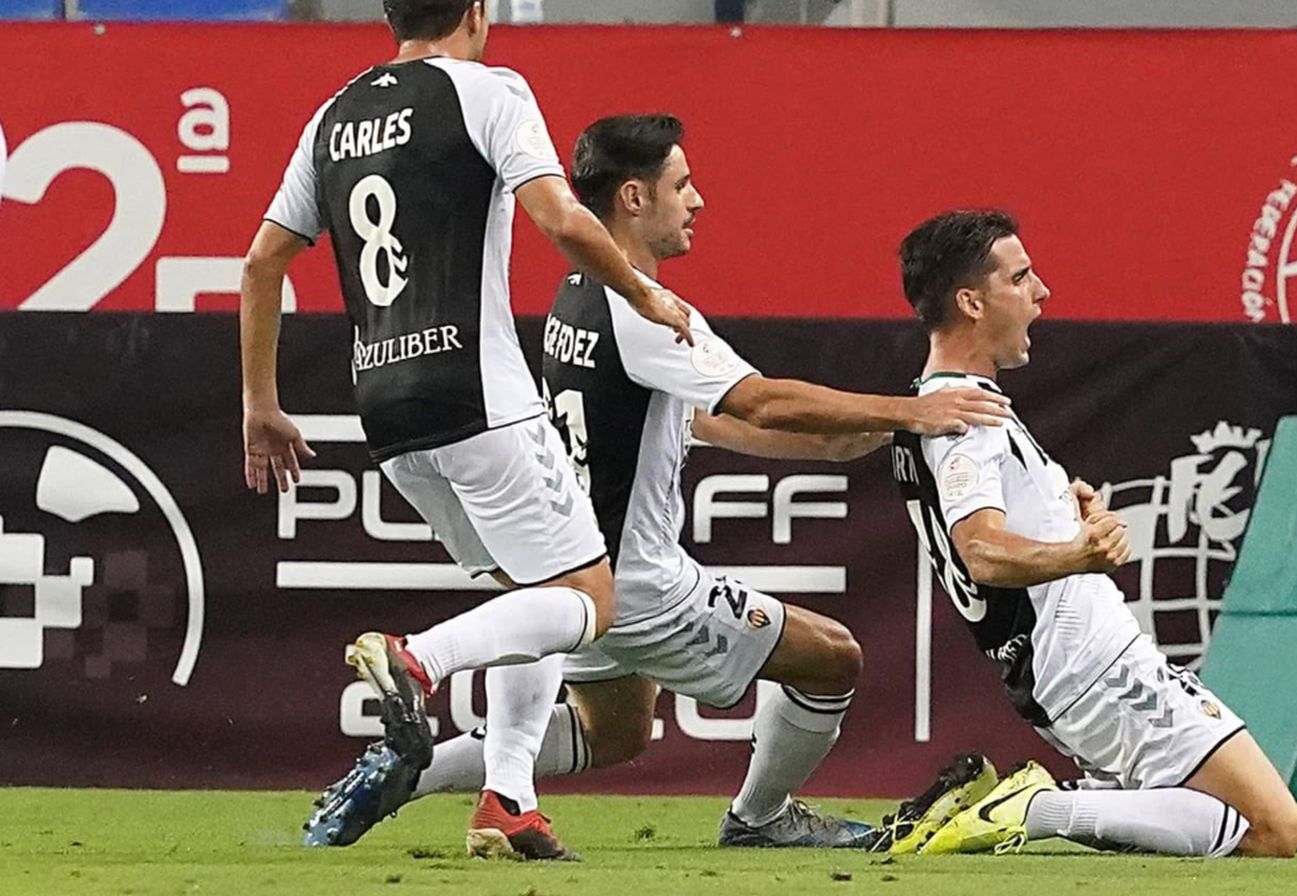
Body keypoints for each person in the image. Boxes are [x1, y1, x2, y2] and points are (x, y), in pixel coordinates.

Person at [317, 113, 1014, 851]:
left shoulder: (575, 296)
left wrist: (848, 438)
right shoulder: (644, 311)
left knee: (613, 730)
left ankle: (410, 772)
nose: (698, 200)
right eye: (682, 185)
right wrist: (911, 408)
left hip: (576, 572)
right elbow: (759, 398)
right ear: (634, 198)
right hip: (641, 583)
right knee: (833, 659)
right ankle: (762, 817)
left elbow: (704, 421)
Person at [240, 0, 699, 861]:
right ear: (479, 11)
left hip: (383, 405)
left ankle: (507, 801)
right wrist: (644, 293)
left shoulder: (334, 115)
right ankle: (416, 659)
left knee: (532, 595)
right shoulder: (489, 91)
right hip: (478, 393)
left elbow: (264, 260)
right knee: (586, 603)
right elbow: (562, 218)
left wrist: (259, 405)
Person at [886, 210, 1297, 858]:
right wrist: (1076, 551)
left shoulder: (947, 403)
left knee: (1186, 819)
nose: (1042, 291)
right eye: (1021, 278)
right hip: (1093, 666)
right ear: (971, 301)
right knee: (1272, 829)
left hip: (1064, 670)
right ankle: (1036, 805)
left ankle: (1006, 804)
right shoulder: (965, 417)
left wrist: (1066, 511)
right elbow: (981, 551)